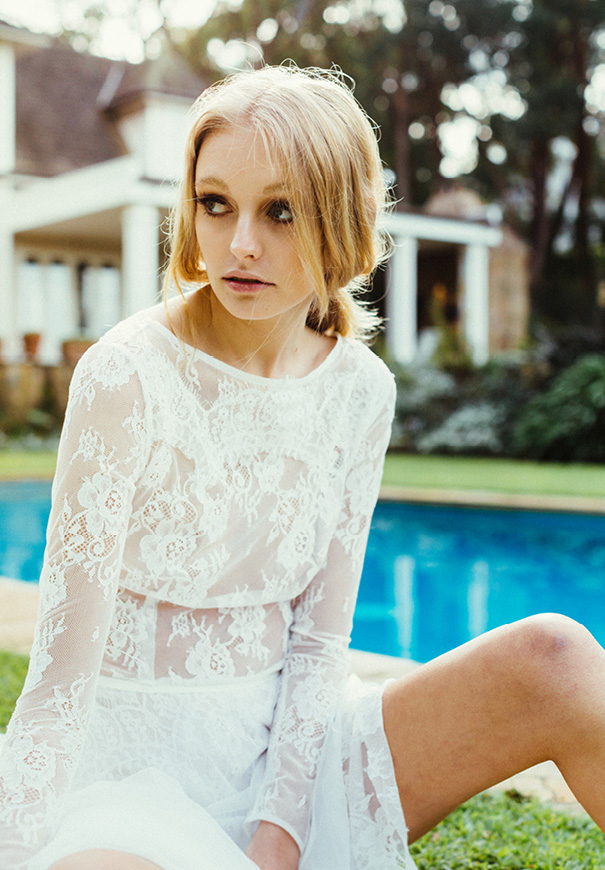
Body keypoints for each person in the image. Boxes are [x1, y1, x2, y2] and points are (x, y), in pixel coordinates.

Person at [1, 63, 604, 870]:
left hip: (298, 758)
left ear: (338, 217)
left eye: (279, 211)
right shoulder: (125, 375)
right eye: (216, 204)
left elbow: (319, 642)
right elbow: (57, 682)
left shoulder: (361, 392)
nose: (240, 244)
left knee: (556, 658)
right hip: (126, 780)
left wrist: (280, 834)